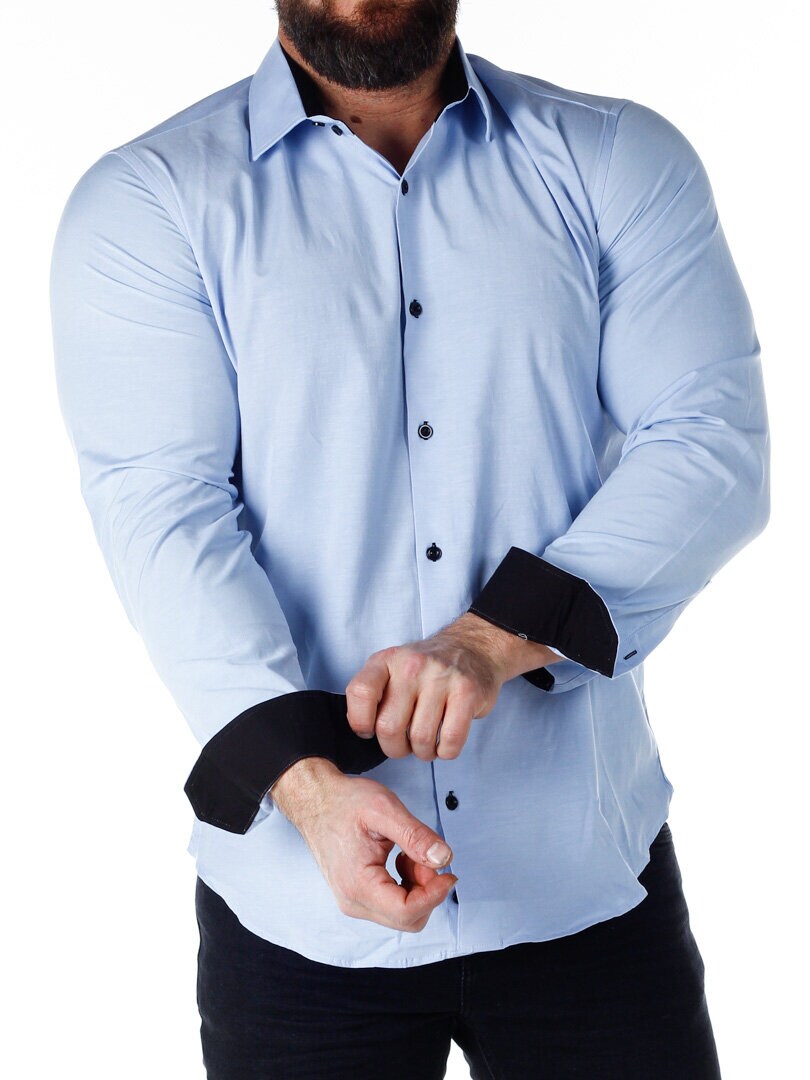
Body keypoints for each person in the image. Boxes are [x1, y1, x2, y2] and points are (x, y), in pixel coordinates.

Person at [49, 1, 770, 1076]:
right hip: (299, 900)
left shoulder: (617, 158)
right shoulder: (151, 201)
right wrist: (306, 785)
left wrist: (488, 639)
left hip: (583, 880)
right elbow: (164, 510)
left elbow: (711, 442)